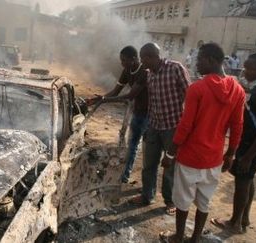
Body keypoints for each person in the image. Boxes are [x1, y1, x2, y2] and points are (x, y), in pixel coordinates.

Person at [159, 43, 246, 243]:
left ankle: (179, 237)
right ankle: (195, 239)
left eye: (199, 59)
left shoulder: (197, 88)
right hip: (214, 158)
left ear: (211, 60)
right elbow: (237, 126)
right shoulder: (238, 90)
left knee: (182, 200)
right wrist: (230, 154)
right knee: (204, 202)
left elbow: (185, 125)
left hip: (190, 157)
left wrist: (170, 154)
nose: (196, 64)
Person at [129, 43, 191, 215]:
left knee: (170, 167)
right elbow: (153, 103)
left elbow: (190, 96)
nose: (142, 62)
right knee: (149, 164)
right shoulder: (149, 75)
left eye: (143, 58)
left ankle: (169, 200)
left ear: (151, 56)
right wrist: (148, 127)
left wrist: (186, 125)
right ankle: (147, 195)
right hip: (154, 126)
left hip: (173, 127)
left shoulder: (175, 68)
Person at [211, 52, 256, 234]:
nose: (245, 71)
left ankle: (234, 222)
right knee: (248, 180)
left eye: (250, 68)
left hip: (251, 147)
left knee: (242, 181)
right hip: (251, 146)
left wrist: (248, 156)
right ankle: (244, 218)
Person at [86, 46, 149, 183]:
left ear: (133, 59)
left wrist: (106, 100)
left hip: (151, 115)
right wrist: (99, 99)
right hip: (137, 112)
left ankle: (146, 185)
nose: (122, 63)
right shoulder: (127, 70)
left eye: (124, 60)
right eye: (121, 60)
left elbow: (130, 95)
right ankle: (125, 175)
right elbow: (115, 92)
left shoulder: (144, 72)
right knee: (132, 145)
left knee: (148, 151)